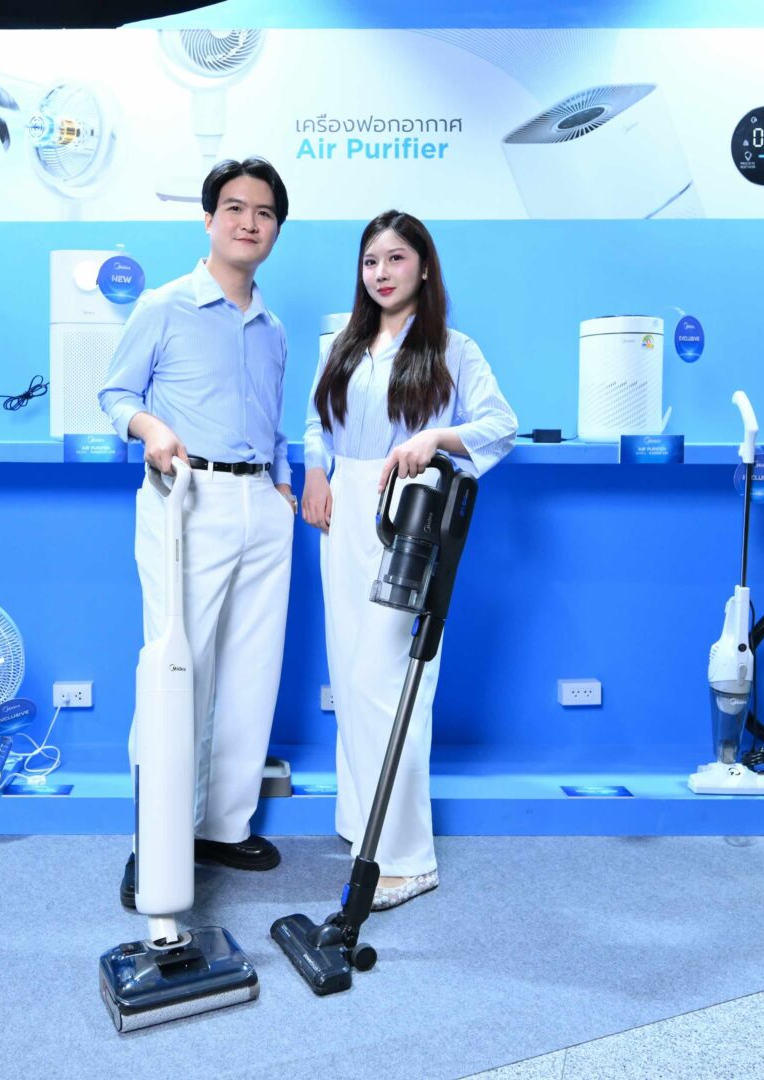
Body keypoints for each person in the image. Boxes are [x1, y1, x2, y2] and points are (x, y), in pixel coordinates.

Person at [301, 210, 517, 910]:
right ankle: (362, 823)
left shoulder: (453, 347)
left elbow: (500, 426)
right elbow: (315, 422)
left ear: (423, 267)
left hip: (409, 512)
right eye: (371, 261)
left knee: (387, 680)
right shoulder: (342, 343)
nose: (382, 273)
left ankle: (407, 858)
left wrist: (435, 439)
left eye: (396, 258)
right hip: (342, 509)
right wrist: (315, 471)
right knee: (348, 672)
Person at [98, 158, 297, 909]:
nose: (250, 222)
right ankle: (156, 840)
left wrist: (282, 484)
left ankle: (220, 826)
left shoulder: (273, 330)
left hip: (260, 504)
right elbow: (115, 392)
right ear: (209, 219)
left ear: (275, 230)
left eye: (265, 213)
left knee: (251, 672)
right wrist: (149, 428)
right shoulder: (165, 305)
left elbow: (272, 422)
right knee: (177, 668)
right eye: (235, 208)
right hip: (188, 496)